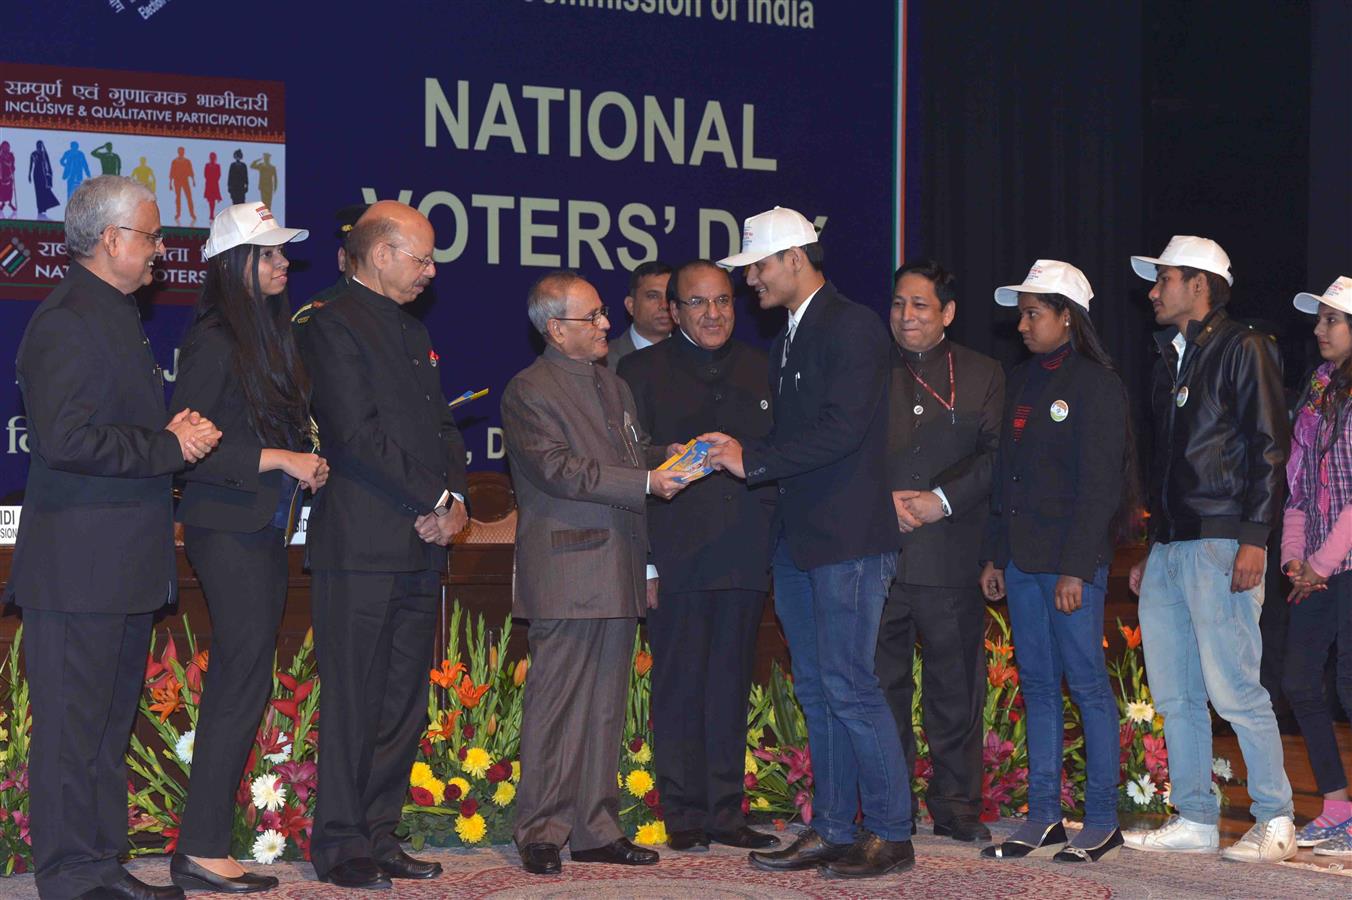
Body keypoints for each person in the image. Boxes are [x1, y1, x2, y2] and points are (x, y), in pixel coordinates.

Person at [5, 174, 221, 900]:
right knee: (73, 733)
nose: (162, 249)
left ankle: (100, 866)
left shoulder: (115, 313)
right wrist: (168, 447)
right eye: (153, 236)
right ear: (111, 240)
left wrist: (167, 443)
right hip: (78, 568)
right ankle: (69, 876)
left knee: (105, 732)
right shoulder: (66, 318)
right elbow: (64, 441)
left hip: (121, 564)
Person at [701, 206, 912, 879]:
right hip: (798, 539)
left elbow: (842, 430)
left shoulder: (851, 326)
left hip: (847, 539)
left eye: (757, 267)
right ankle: (831, 827)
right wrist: (744, 454)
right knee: (819, 689)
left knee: (849, 683)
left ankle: (889, 832)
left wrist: (750, 460)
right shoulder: (791, 333)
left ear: (793, 259)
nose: (750, 282)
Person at [297, 200, 468, 889]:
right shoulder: (329, 323)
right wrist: (431, 499)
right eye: (422, 257)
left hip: (419, 543)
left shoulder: (409, 328)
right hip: (361, 544)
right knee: (354, 698)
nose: (432, 270)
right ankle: (339, 845)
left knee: (403, 702)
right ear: (380, 254)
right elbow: (354, 435)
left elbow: (441, 430)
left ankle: (379, 832)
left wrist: (454, 503)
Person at [502, 270, 688, 876]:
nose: (608, 324)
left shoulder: (615, 386)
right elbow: (560, 470)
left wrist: (687, 453)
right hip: (567, 568)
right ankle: (541, 830)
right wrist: (646, 481)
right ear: (556, 329)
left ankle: (594, 828)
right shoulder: (529, 390)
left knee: (606, 705)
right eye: (593, 317)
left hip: (620, 565)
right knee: (557, 704)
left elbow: (633, 459)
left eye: (604, 313)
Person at [166, 203, 326, 893]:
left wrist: (301, 456)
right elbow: (191, 441)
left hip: (258, 525)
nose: (283, 263)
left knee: (246, 678)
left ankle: (202, 844)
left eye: (282, 253)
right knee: (240, 679)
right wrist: (281, 459)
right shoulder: (213, 339)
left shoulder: (267, 335)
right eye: (267, 254)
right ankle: (200, 847)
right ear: (236, 264)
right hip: (225, 523)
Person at [1124, 235, 1294, 861]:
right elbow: (1169, 465)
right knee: (1175, 693)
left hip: (1225, 541)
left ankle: (1276, 817)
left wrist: (1254, 539)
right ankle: (1195, 816)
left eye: (1163, 278)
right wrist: (1153, 545)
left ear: (1198, 284)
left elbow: (1269, 447)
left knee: (1235, 690)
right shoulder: (1170, 356)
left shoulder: (1243, 346)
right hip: (1173, 547)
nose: (1152, 290)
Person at [616, 259, 779, 854]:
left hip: (742, 556)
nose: (713, 314)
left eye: (724, 302)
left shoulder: (766, 368)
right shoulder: (638, 371)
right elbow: (628, 470)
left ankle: (726, 813)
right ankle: (683, 813)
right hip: (675, 558)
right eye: (698, 303)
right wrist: (649, 563)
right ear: (674, 310)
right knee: (680, 685)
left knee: (731, 685)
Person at [977, 260, 1132, 863]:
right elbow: (1002, 477)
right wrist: (994, 554)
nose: (1022, 323)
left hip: (1070, 566)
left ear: (1067, 318)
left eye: (1033, 313)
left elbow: (1100, 487)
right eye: (1021, 313)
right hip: (1019, 560)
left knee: (1088, 687)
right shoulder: (1019, 380)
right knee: (1038, 685)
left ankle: (1102, 819)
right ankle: (1044, 817)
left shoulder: (1098, 384)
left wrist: (1077, 567)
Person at [876, 260, 1003, 843]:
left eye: (921, 305)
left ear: (947, 313)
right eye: (900, 303)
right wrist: (882, 501)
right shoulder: (868, 368)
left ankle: (956, 808)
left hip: (950, 556)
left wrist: (941, 501)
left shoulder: (983, 373)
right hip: (877, 553)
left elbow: (996, 458)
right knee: (882, 690)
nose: (907, 316)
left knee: (956, 691)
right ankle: (890, 808)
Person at [1280, 275, 1352, 856]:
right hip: (1319, 565)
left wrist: (1322, 562)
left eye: (1332, 319)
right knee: (1300, 678)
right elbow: (1300, 486)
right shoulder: (1318, 391)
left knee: (1350, 685)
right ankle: (1336, 807)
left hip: (1345, 564)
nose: (1319, 328)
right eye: (1320, 318)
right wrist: (1293, 556)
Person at [606, 260, 673, 367]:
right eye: (653, 296)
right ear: (631, 305)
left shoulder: (693, 358)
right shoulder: (605, 360)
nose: (664, 305)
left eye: (670, 296)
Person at [28, 140, 59, 217]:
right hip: (36, 174)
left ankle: (44, 207)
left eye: (40, 145)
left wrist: (49, 174)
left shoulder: (44, 153)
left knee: (44, 190)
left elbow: (48, 163)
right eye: (38, 145)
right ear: (36, 145)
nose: (39, 147)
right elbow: (31, 165)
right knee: (38, 191)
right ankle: (39, 208)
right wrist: (29, 174)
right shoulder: (33, 154)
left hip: (43, 174)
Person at [169, 147, 196, 224]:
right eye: (180, 151)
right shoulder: (174, 161)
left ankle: (192, 213)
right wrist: (170, 183)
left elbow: (190, 171)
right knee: (178, 198)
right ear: (178, 152)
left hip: (185, 180)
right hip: (177, 181)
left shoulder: (187, 161)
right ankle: (178, 214)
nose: (181, 152)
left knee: (189, 197)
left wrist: (193, 180)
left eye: (182, 151)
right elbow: (172, 172)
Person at [202, 152, 222, 220]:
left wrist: (213, 179)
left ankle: (212, 214)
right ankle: (211, 214)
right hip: (209, 185)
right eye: (211, 157)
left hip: (214, 185)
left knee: (213, 200)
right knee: (210, 200)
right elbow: (205, 174)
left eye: (213, 157)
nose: (212, 159)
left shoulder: (217, 166)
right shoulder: (207, 165)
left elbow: (219, 175)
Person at [0, 140, 16, 215]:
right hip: (2, 174)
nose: (5, 147)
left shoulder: (11, 155)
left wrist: (12, 168)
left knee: (10, 190)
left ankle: (10, 203)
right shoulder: (0, 155)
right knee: (2, 190)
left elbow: (12, 164)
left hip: (9, 174)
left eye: (7, 146)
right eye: (4, 146)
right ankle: (2, 203)